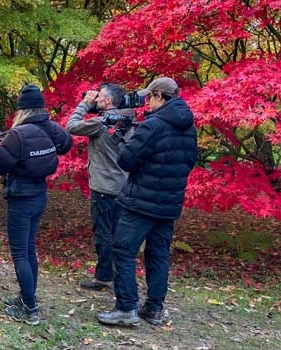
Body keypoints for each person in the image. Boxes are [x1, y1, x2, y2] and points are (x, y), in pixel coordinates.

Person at [96, 77, 197, 326]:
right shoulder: (189, 127)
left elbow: (127, 160)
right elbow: (190, 161)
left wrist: (122, 136)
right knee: (159, 254)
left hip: (141, 201)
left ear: (159, 96)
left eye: (149, 97)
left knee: (123, 250)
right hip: (170, 202)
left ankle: (126, 307)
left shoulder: (153, 125)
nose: (147, 102)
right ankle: (153, 308)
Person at [0, 85, 72, 325]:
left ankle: (29, 308)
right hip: (39, 195)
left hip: (21, 197)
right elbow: (66, 144)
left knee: (20, 253)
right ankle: (27, 297)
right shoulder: (51, 128)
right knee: (29, 249)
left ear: (21, 109)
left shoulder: (18, 134)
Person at [66, 83, 134, 292]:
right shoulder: (129, 121)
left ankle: (106, 277)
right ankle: (114, 276)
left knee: (103, 234)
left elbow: (71, 126)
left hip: (104, 187)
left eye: (99, 97)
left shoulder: (101, 123)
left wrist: (84, 104)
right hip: (123, 186)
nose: (96, 100)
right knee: (117, 234)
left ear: (109, 101)